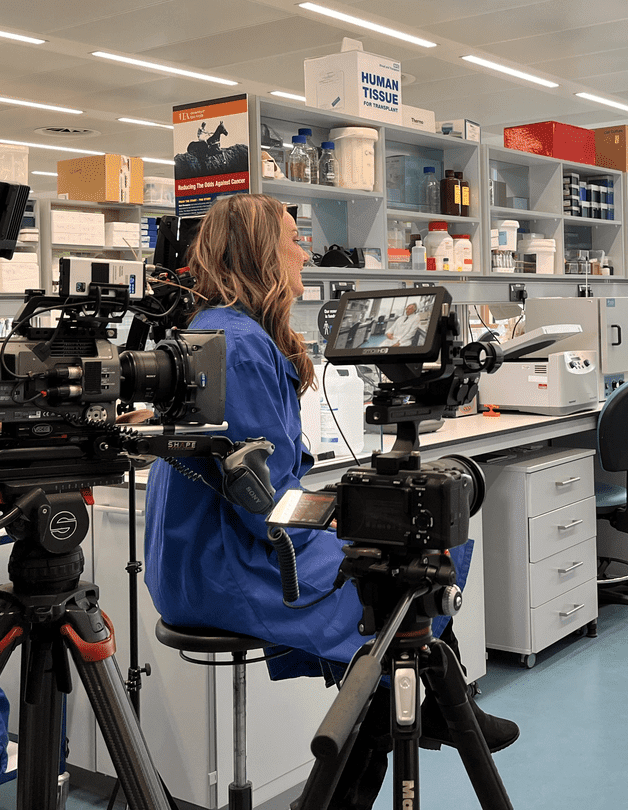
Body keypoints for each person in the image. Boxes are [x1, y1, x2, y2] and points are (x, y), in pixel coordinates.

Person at [143, 193, 517, 808]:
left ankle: (434, 712)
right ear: (263, 253)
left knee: (390, 570)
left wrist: (335, 507)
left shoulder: (218, 328)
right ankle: (434, 713)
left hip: (195, 553)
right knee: (398, 577)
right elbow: (262, 500)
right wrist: (341, 516)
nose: (304, 252)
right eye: (293, 239)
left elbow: (260, 472)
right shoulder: (240, 344)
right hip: (227, 562)